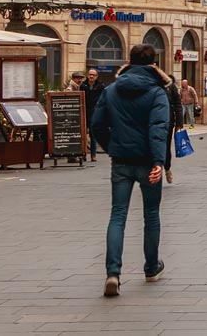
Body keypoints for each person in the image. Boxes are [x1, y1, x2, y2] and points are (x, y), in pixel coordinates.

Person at [90, 43, 170, 297]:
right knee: (151, 215)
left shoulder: (112, 90)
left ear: (129, 61)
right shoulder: (157, 92)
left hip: (121, 161)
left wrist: (112, 147)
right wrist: (159, 162)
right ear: (153, 63)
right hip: (148, 162)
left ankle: (113, 273)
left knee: (118, 215)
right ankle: (151, 267)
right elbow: (159, 128)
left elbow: (96, 125)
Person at [81, 69, 105, 161]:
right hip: (84, 111)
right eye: (90, 74)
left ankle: (93, 154)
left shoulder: (100, 86)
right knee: (82, 134)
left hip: (95, 112)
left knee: (92, 134)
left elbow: (103, 98)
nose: (91, 76)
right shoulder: (83, 85)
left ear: (96, 76)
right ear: (87, 75)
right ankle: (83, 154)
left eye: (93, 75)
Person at [164, 74, 182, 184]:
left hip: (168, 121)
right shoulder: (150, 84)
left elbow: (178, 104)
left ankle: (167, 168)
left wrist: (179, 123)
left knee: (165, 147)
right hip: (150, 122)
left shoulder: (171, 86)